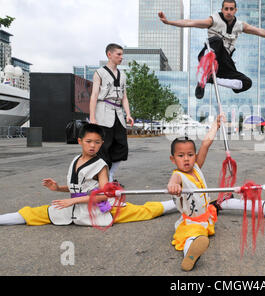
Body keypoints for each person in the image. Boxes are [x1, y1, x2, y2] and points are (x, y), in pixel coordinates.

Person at [0, 124, 176, 227]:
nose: (93, 146)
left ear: (102, 144)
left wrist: (72, 201)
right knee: (33, 213)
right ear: (80, 141)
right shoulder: (76, 159)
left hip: (100, 209)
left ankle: (176, 202)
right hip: (72, 209)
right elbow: (79, 189)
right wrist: (58, 188)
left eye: (97, 142)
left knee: (143, 211)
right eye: (89, 141)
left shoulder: (101, 166)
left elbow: (101, 195)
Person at [158, 0, 265, 99]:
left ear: (235, 10)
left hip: (224, 63)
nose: (229, 12)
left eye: (231, 9)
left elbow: (258, 31)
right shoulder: (213, 20)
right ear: (222, 9)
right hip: (209, 55)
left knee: (246, 83)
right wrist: (169, 22)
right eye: (226, 9)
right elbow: (190, 22)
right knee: (217, 40)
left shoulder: (240, 25)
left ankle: (212, 79)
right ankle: (205, 72)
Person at [166, 115, 223, 271]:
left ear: (195, 156)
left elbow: (205, 144)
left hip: (205, 217)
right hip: (191, 221)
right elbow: (173, 181)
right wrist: (173, 187)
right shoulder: (178, 175)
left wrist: (215, 126)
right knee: (191, 237)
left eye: (190, 155)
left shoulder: (196, 167)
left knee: (200, 232)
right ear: (173, 159)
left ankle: (195, 246)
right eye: (181, 156)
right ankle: (189, 255)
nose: (186, 159)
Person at [89, 43, 134, 182]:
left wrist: (128, 114)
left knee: (122, 146)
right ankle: (103, 178)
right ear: (109, 54)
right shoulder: (99, 73)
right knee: (104, 146)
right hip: (103, 111)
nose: (121, 57)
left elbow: (124, 96)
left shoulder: (123, 75)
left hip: (118, 112)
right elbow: (94, 95)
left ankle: (110, 174)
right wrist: (92, 117)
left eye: (122, 54)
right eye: (118, 54)